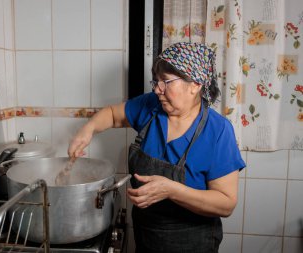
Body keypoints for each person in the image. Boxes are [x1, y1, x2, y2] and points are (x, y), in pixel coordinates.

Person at [68, 42, 246, 253]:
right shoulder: (151, 106)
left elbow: (225, 204)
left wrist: (171, 190)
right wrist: (88, 128)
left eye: (166, 82)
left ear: (195, 84)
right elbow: (113, 115)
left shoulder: (218, 131)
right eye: (156, 81)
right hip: (147, 237)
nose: (156, 89)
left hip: (193, 242)